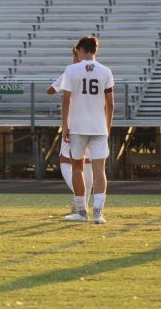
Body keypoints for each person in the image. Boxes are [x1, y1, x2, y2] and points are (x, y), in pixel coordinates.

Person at [59, 36, 114, 224]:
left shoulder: (71, 69)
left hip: (78, 126)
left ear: (81, 49)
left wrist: (65, 125)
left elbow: (66, 99)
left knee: (77, 166)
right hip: (99, 126)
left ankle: (82, 212)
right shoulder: (106, 71)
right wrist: (107, 126)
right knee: (100, 169)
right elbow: (110, 103)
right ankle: (98, 213)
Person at [47, 46, 94, 212]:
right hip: (93, 122)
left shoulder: (71, 72)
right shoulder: (99, 71)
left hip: (74, 121)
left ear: (78, 56)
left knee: (67, 159)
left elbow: (50, 90)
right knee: (87, 161)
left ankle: (79, 200)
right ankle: (84, 203)